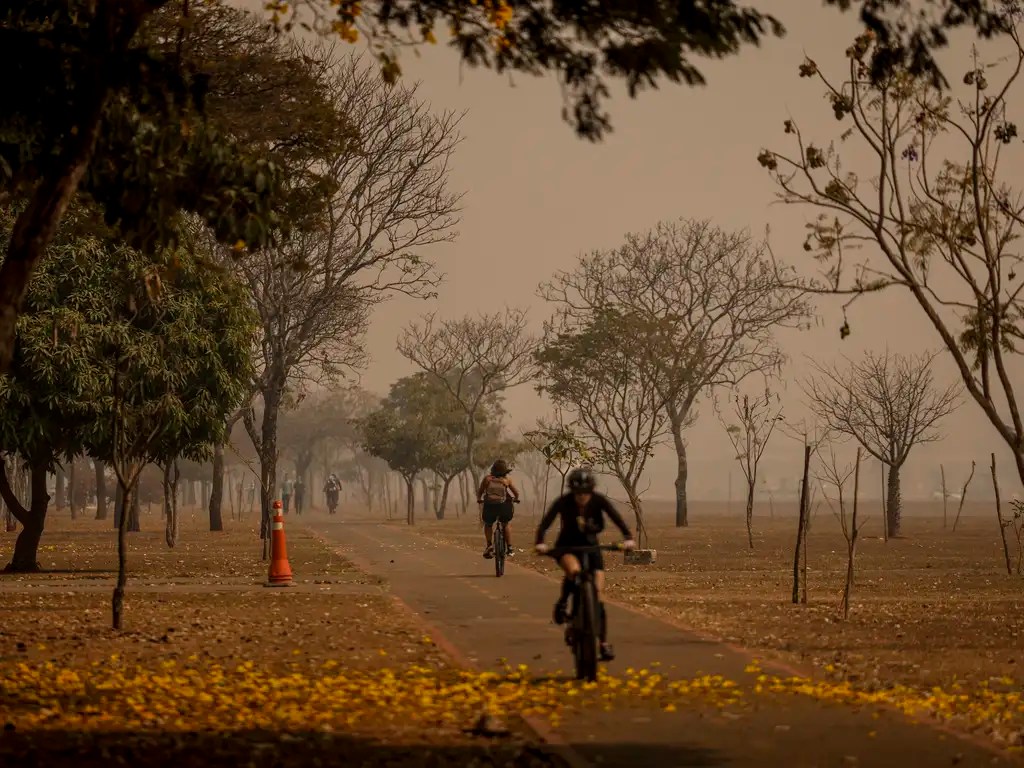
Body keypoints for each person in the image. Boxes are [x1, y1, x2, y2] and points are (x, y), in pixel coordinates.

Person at [534, 467, 635, 662]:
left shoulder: (599, 500)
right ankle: (563, 602)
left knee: (598, 596)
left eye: (586, 493)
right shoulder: (563, 502)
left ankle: (603, 643)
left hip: (591, 547)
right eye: (578, 493)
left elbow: (616, 518)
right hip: (567, 547)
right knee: (574, 571)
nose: (582, 497)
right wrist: (540, 543)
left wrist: (628, 538)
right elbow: (545, 523)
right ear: (572, 491)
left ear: (591, 490)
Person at [477, 459, 521, 559]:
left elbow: (480, 492)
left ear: (493, 469)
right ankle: (509, 548)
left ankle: (489, 545)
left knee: (488, 524)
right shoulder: (507, 480)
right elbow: (516, 493)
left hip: (490, 507)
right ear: (505, 470)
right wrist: (516, 500)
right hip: (503, 508)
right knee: (505, 523)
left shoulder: (487, 479)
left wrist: (479, 499)